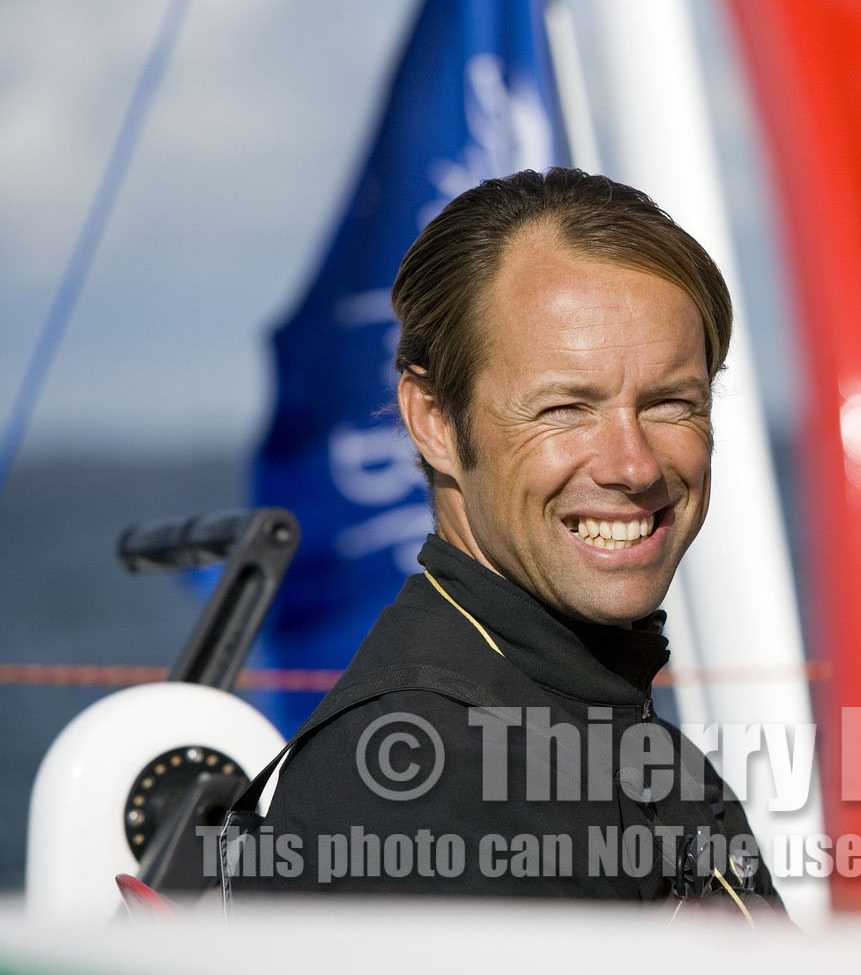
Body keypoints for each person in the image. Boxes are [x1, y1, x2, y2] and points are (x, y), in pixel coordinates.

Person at [232, 168, 780, 914]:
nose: (634, 464)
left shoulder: (597, 728)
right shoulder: (427, 781)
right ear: (433, 419)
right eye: (564, 408)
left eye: (670, 403)